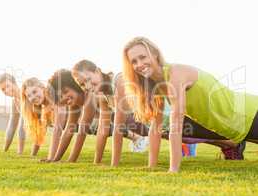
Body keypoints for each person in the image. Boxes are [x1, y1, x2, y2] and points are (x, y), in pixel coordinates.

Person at [71, 59, 246, 167]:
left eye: (88, 79)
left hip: (173, 111)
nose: (87, 86)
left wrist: (114, 165)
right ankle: (231, 144)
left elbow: (117, 128)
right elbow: (103, 130)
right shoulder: (103, 94)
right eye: (82, 84)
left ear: (97, 71)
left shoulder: (119, 81)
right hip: (158, 119)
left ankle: (233, 143)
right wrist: (97, 162)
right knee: (189, 136)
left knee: (199, 133)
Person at [122, 36, 258, 172]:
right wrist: (151, 166)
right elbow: (155, 128)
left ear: (155, 54)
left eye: (143, 57)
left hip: (249, 114)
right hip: (235, 129)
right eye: (134, 61)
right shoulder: (157, 86)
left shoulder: (175, 74)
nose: (139, 64)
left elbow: (176, 125)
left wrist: (173, 169)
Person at [46, 69, 148, 164]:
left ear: (75, 85)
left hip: (131, 114)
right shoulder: (74, 103)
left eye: (65, 92)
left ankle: (144, 139)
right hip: (118, 117)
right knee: (152, 131)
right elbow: (68, 131)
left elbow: (82, 132)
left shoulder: (90, 95)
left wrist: (71, 160)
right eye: (60, 97)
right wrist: (55, 159)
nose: (64, 98)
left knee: (152, 130)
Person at [21, 77, 68, 159]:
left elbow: (58, 130)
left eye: (34, 92)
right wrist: (32, 155)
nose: (33, 97)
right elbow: (40, 134)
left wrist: (51, 158)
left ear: (42, 88)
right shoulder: (43, 110)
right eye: (29, 96)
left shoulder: (55, 98)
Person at [0, 73, 26, 154]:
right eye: (3, 89)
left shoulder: (26, 95)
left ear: (14, 83)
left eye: (7, 86)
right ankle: (6, 150)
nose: (6, 90)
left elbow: (22, 125)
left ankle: (20, 152)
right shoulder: (15, 101)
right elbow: (12, 124)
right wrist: (5, 150)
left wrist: (20, 152)